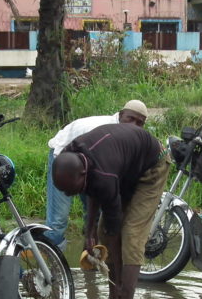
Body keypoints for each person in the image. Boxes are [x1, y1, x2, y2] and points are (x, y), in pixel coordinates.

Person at [52, 123, 169, 299]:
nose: (68, 195)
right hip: (125, 168)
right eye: (64, 191)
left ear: (83, 174)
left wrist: (121, 276)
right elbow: (92, 190)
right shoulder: (72, 156)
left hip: (152, 165)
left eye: (71, 190)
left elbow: (114, 229)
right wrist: (89, 233)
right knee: (101, 232)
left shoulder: (103, 176)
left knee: (131, 236)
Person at [44, 99, 149, 248]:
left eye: (139, 123)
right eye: (130, 118)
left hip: (90, 167)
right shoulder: (103, 130)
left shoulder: (128, 138)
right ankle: (48, 258)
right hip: (63, 158)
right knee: (58, 220)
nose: (133, 125)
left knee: (94, 216)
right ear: (120, 115)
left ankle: (88, 254)